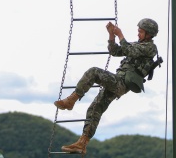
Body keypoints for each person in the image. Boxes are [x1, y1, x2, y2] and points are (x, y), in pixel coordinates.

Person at [54, 18, 160, 154]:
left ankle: (72, 100)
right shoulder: (137, 45)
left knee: (93, 72)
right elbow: (114, 51)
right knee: (95, 108)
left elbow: (130, 51)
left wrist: (120, 34)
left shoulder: (150, 48)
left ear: (149, 34)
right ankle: (82, 143)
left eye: (140, 32)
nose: (138, 34)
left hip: (121, 83)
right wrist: (111, 35)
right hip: (118, 82)